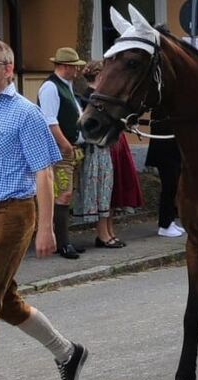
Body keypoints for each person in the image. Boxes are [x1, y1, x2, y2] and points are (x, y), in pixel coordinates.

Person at [0, 38, 88, 380]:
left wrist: (46, 229)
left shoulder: (24, 113)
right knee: (6, 301)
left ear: (8, 69)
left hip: (13, 211)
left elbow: (44, 173)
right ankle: (68, 353)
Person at [38, 47, 87, 259]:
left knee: (66, 194)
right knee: (62, 194)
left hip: (69, 148)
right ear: (65, 66)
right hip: (60, 150)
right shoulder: (51, 87)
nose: (77, 71)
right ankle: (62, 243)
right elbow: (50, 121)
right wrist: (66, 146)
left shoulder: (65, 86)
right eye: (75, 67)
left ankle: (63, 240)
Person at [74, 60, 123, 248]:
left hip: (104, 148)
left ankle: (108, 231)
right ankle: (102, 234)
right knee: (100, 193)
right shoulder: (89, 97)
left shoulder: (97, 96)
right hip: (94, 149)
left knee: (106, 192)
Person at [146, 107, 185, 237]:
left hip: (172, 150)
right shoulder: (161, 110)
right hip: (164, 151)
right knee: (169, 186)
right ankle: (164, 224)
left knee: (173, 187)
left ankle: (171, 220)